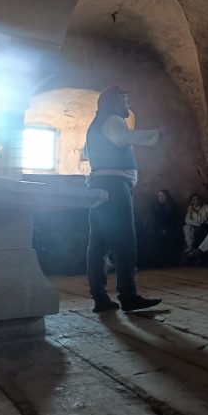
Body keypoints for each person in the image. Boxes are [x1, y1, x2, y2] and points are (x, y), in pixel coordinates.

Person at [84, 84, 162, 313]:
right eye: (124, 100)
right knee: (125, 241)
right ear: (112, 101)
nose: (127, 104)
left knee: (98, 244)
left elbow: (86, 152)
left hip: (99, 186)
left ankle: (99, 297)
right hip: (115, 186)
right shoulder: (113, 120)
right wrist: (157, 135)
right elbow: (123, 137)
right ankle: (128, 296)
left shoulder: (95, 125)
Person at [143, 189, 182, 267]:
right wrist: (159, 228)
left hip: (170, 230)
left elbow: (173, 221)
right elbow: (154, 221)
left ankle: (166, 261)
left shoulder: (171, 207)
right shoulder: (156, 206)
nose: (160, 197)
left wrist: (165, 229)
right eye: (159, 196)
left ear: (167, 196)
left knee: (165, 238)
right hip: (157, 229)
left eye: (163, 195)